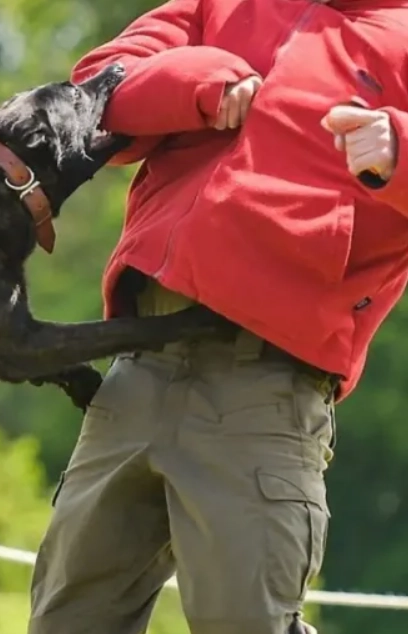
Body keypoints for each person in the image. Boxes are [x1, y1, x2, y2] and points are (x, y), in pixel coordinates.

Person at [26, 1, 408, 633]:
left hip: (266, 393)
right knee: (66, 622)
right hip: (135, 373)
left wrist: (398, 147)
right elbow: (98, 88)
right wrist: (200, 81)